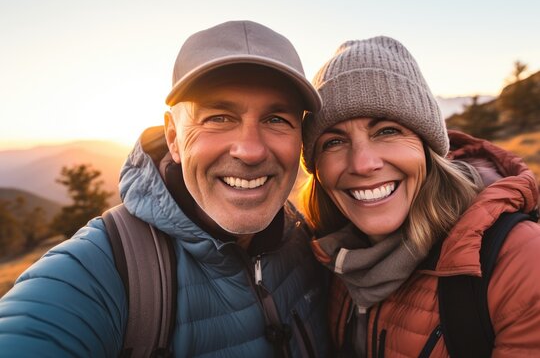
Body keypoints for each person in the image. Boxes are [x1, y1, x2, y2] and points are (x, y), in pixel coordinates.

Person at [0, 21, 329, 357]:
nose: (250, 150)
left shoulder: (310, 243)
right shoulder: (99, 271)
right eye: (218, 117)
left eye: (276, 119)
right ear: (173, 137)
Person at [300, 36, 540, 356]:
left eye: (386, 131)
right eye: (333, 142)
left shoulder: (519, 260)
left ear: (428, 150)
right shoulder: (326, 254)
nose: (363, 163)